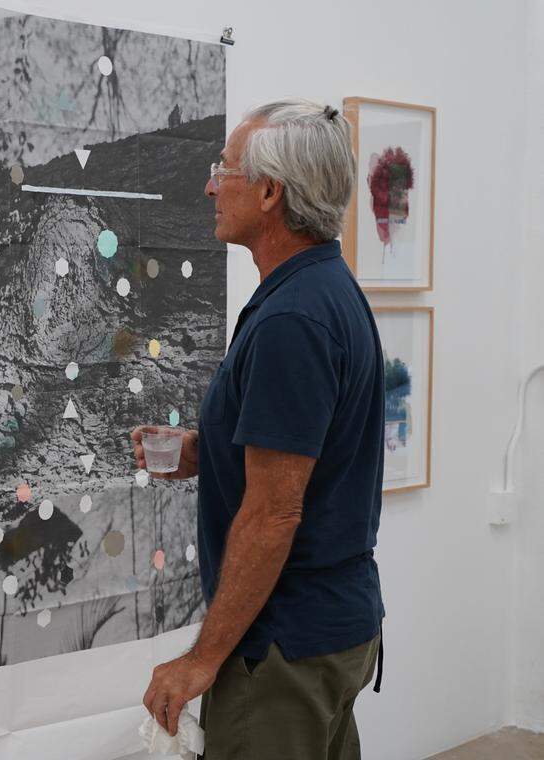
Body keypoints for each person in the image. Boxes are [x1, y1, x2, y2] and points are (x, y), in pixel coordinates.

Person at [131, 99, 386, 760]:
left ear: (270, 192)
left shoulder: (291, 322)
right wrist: (205, 452)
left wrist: (201, 660)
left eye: (226, 169)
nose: (212, 185)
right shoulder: (322, 290)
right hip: (325, 629)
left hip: (283, 649)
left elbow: (274, 514)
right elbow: (312, 454)